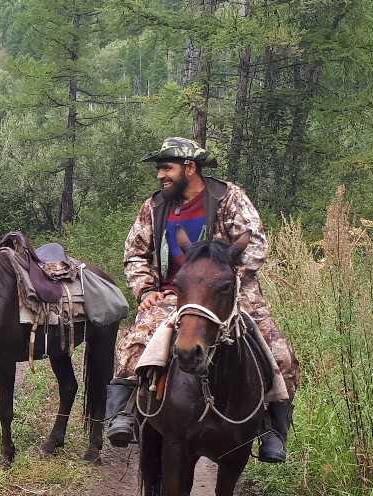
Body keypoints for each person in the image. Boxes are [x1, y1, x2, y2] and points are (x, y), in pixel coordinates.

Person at [105, 137, 299, 461]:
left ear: (189, 168)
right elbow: (135, 253)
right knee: (133, 344)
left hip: (229, 289)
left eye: (166, 168)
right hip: (172, 293)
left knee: (281, 354)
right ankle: (124, 413)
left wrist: (224, 276)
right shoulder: (153, 207)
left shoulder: (228, 197)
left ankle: (271, 429)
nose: (160, 176)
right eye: (159, 169)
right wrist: (146, 289)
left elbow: (256, 245)